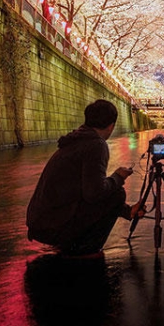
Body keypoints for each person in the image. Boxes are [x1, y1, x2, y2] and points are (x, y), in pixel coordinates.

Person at [26, 99, 145, 257]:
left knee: (112, 189)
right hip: (54, 228)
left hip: (41, 223)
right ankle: (86, 249)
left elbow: (85, 189)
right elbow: (94, 193)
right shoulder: (96, 145)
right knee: (117, 193)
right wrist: (118, 176)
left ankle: (127, 214)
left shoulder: (75, 140)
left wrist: (126, 211)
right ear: (111, 125)